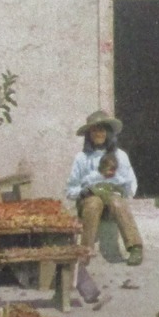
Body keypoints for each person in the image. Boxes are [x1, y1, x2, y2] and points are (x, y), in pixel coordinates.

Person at [66, 111, 144, 267]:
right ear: (89, 134)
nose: (98, 134)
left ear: (109, 133)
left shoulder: (120, 156)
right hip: (89, 202)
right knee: (94, 203)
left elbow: (130, 183)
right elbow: (71, 189)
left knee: (117, 202)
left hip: (112, 200)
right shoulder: (82, 158)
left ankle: (135, 247)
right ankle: (85, 250)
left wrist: (120, 191)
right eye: (94, 130)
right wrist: (82, 192)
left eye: (102, 130)